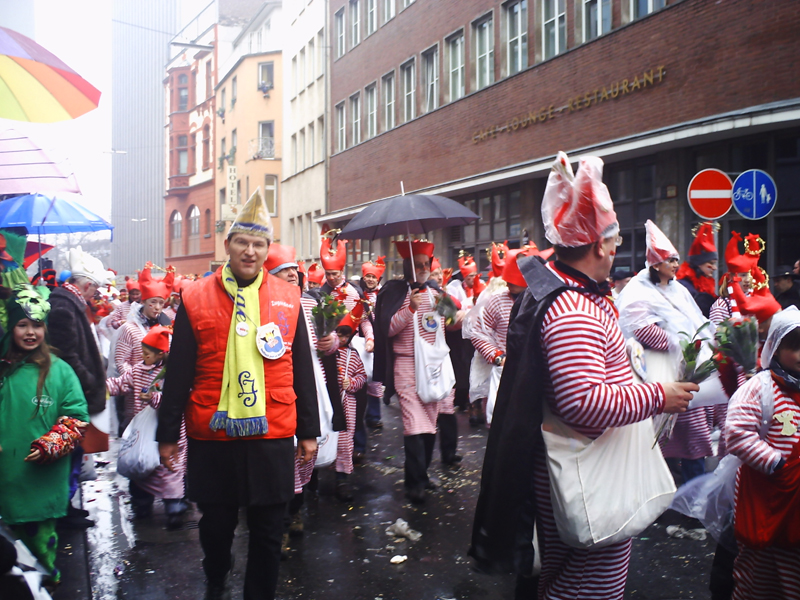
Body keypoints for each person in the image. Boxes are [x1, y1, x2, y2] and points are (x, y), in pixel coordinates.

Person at [470, 152, 696, 599]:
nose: (616, 249)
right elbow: (584, 403)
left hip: (584, 466)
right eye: (615, 240)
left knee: (565, 580)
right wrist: (658, 395)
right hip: (586, 473)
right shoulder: (573, 309)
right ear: (599, 246)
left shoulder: (575, 296)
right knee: (586, 587)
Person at [156, 189, 319, 600]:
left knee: (269, 530)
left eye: (258, 244)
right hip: (213, 431)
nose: (250, 251)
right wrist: (167, 435)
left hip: (272, 430)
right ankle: (217, 574)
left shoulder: (288, 297)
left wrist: (309, 431)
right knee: (215, 526)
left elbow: (302, 368)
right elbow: (179, 371)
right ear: (227, 245)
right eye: (242, 242)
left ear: (267, 250)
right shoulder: (195, 297)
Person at [0, 286, 89, 587]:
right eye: (22, 324)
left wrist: (53, 443)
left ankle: (44, 582)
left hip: (42, 478)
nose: (30, 332)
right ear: (11, 327)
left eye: (37, 325)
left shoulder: (60, 371)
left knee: (40, 543)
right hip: (5, 477)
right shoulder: (3, 370)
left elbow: (76, 417)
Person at [617, 220, 716, 484]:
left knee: (692, 435)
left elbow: (696, 321)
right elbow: (640, 328)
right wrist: (680, 344)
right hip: (656, 371)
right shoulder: (637, 290)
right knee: (659, 436)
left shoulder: (678, 289)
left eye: (676, 260)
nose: (675, 264)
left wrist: (703, 344)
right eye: (670, 260)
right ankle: (660, 487)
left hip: (686, 369)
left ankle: (693, 492)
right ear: (655, 264)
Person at [725, 306, 800, 600]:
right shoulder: (761, 387)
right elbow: (737, 433)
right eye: (795, 348)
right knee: (760, 563)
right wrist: (776, 464)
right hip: (765, 492)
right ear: (776, 347)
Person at [374, 239, 456, 503]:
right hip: (406, 366)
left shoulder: (436, 294)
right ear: (407, 266)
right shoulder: (396, 293)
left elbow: (453, 322)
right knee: (414, 425)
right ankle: (414, 484)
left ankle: (422, 475)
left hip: (433, 367)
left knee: (430, 425)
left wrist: (459, 313)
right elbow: (388, 329)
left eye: (425, 264)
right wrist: (410, 307)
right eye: (417, 264)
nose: (422, 268)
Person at [47, 246, 114, 528]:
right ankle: (62, 508)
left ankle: (66, 506)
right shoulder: (65, 308)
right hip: (73, 393)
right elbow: (68, 355)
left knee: (74, 450)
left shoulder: (68, 304)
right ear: (86, 285)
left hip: (77, 390)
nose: (95, 294)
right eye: (94, 289)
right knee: (69, 451)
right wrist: (90, 379)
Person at [106, 325, 188, 529]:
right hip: (144, 432)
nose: (143, 357)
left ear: (160, 354)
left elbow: (173, 400)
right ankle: (141, 503)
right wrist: (102, 388)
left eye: (146, 354)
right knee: (142, 466)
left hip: (169, 430)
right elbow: (121, 383)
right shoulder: (137, 370)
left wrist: (153, 398)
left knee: (169, 468)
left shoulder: (173, 373)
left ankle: (174, 506)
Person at [113, 264, 173, 430]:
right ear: (144, 301)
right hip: (137, 395)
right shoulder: (129, 328)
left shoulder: (167, 327)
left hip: (161, 396)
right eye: (153, 302)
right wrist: (138, 379)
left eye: (161, 303)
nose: (158, 307)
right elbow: (121, 361)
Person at [331, 304, 367, 500]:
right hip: (327, 403)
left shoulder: (353, 355)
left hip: (347, 404)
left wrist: (351, 383)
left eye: (346, 335)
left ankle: (342, 479)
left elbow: (362, 376)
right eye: (339, 334)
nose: (343, 339)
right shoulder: (324, 353)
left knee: (344, 441)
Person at [676, 222, 719, 317]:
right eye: (711, 263)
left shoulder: (705, 285)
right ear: (699, 264)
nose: (715, 268)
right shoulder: (683, 286)